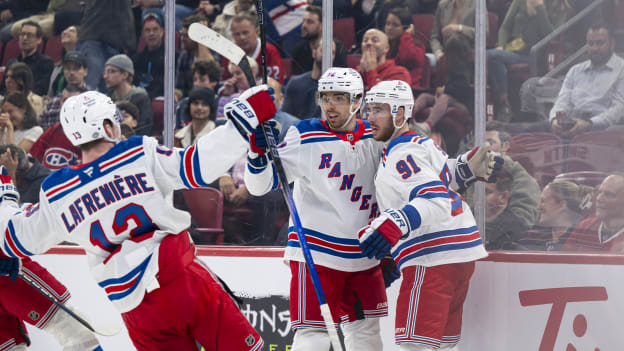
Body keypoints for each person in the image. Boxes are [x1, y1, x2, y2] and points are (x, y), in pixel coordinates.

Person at [0, 88, 276, 350]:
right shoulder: (137, 153)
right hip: (183, 282)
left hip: (137, 310)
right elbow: (197, 166)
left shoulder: (57, 191)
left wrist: (6, 194)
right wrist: (243, 121)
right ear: (107, 127)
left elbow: (15, 239)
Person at [245, 67, 389, 351]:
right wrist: (257, 154)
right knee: (312, 337)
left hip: (364, 254)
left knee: (367, 337)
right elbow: (259, 186)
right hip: (317, 252)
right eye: (325, 97)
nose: (330, 105)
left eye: (339, 97)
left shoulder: (376, 137)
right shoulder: (305, 135)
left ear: (357, 100)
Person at [359, 79, 498, 350]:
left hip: (432, 259)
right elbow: (443, 179)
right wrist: (464, 169)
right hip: (459, 255)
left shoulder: (403, 154)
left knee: (416, 346)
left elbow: (435, 200)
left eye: (378, 110)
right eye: (369, 110)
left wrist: (395, 225)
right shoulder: (422, 144)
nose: (370, 118)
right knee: (442, 347)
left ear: (400, 113)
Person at [549, 23, 624, 138]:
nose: (595, 48)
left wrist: (589, 124)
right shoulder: (575, 71)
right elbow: (561, 102)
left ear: (612, 44)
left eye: (600, 43)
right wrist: (555, 119)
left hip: (601, 128)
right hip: (572, 123)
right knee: (527, 129)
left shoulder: (621, 69)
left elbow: (618, 110)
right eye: (590, 43)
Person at [486, 0, 556, 122]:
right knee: (491, 56)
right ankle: (504, 102)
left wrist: (540, 9)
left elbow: (550, 35)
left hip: (532, 55)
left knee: (492, 56)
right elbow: (505, 27)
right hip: (512, 50)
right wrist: (501, 45)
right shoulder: (519, 2)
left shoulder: (550, 5)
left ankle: (504, 105)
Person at [523, 179, 593, 251]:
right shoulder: (534, 235)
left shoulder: (581, 239)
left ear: (562, 205)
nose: (538, 207)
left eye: (543, 201)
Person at [564, 173, 624, 253]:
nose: (599, 198)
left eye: (609, 194)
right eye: (599, 192)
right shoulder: (585, 226)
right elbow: (564, 262)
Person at [220, 14, 284, 83]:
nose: (242, 37)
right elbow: (224, 83)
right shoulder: (228, 55)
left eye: (245, 32)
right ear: (233, 36)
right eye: (237, 34)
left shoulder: (269, 51)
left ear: (256, 32)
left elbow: (277, 82)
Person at [282, 38, 335, 119]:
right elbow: (285, 118)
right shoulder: (295, 84)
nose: (328, 55)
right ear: (314, 52)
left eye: (332, 53)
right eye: (323, 50)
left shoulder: (337, 86)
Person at [103, 54, 153, 136]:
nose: (105, 76)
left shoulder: (141, 98)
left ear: (125, 74)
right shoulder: (107, 98)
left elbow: (144, 129)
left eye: (111, 71)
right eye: (105, 72)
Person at [290, 5, 348, 76]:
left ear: (322, 26)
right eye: (304, 21)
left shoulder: (336, 47)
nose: (304, 26)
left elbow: (343, 78)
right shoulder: (298, 49)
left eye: (310, 22)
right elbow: (295, 82)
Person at [1, 21, 54, 96]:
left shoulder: (45, 62)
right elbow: (3, 88)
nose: (25, 38)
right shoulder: (11, 62)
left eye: (29, 35)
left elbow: (40, 90)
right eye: (22, 34)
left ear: (39, 40)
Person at [133, 11, 177, 99]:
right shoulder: (136, 59)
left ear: (162, 31)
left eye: (155, 29)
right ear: (143, 34)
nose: (151, 33)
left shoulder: (172, 56)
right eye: (147, 30)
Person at [383, 7, 427, 91]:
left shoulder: (417, 48)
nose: (389, 28)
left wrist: (406, 36)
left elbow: (406, 57)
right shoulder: (384, 46)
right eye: (387, 23)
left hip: (408, 92)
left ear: (406, 27)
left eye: (395, 25)